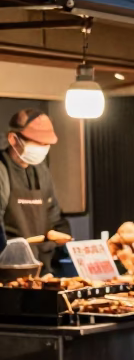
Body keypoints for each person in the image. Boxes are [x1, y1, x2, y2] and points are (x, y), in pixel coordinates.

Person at [0, 110, 70, 274]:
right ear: (13, 139)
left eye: (46, 144)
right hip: (9, 271)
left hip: (42, 270)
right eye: (36, 142)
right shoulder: (2, 169)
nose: (42, 149)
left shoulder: (41, 170)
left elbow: (54, 216)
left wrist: (59, 236)